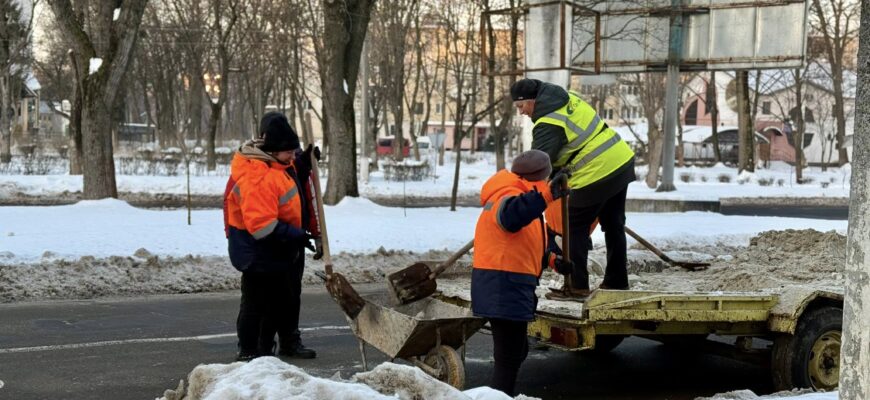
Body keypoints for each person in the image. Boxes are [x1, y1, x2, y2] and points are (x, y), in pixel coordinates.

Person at [510, 78, 636, 298]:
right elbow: (573, 141)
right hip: (620, 159)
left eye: (521, 106)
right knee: (614, 224)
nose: (521, 112)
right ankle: (617, 281)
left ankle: (576, 285)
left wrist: (519, 196)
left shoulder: (548, 123)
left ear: (532, 101)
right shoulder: (568, 97)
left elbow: (537, 165)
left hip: (598, 171)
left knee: (574, 226)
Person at [471, 150, 572, 396]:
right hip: (502, 286)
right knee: (508, 358)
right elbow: (512, 216)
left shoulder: (525, 199)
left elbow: (525, 243)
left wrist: (552, 260)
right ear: (538, 178)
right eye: (545, 180)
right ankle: (499, 397)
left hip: (509, 286)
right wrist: (547, 196)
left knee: (516, 352)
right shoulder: (508, 196)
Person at [224, 111, 319, 361]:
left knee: (278, 301)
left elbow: (292, 187)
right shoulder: (258, 177)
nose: (293, 155)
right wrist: (296, 235)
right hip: (257, 250)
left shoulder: (278, 165)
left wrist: (304, 162)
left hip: (276, 247)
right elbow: (262, 226)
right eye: (289, 151)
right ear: (273, 149)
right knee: (256, 304)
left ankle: (265, 352)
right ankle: (248, 352)